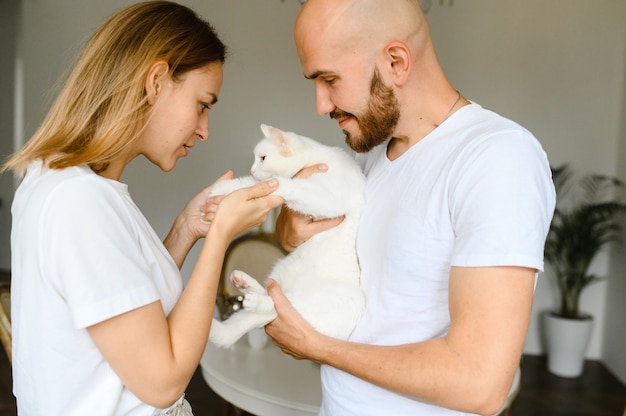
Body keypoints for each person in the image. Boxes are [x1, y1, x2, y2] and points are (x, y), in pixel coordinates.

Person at [265, 0, 556, 415]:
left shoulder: (497, 159)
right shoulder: (371, 154)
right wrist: (289, 231)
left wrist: (318, 347)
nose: (321, 104)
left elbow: (479, 383)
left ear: (397, 62)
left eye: (330, 79)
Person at [0, 2, 283, 415]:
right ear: (155, 81)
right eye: (203, 104)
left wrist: (185, 229)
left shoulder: (72, 184)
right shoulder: (79, 202)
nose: (204, 130)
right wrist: (220, 236)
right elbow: (163, 381)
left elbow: (125, 310)